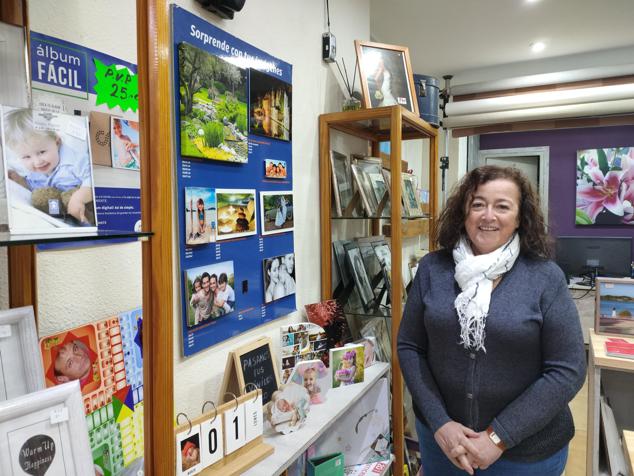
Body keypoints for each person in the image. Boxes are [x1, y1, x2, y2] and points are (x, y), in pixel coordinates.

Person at [397, 165, 586, 476]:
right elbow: (409, 346)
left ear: (519, 218)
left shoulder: (544, 277)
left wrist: (497, 438)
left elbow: (567, 369)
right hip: (444, 445)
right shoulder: (433, 269)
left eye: (502, 206)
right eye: (478, 204)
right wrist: (440, 423)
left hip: (526, 454)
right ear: (464, 212)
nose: (488, 216)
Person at [4, 108, 94, 224]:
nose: (37, 162)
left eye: (42, 152)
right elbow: (35, 185)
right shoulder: (34, 173)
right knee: (42, 198)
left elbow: (95, 178)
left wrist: (79, 198)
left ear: (57, 142)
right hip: (63, 210)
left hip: (86, 207)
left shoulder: (76, 160)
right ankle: (60, 217)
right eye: (26, 157)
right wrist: (22, 182)